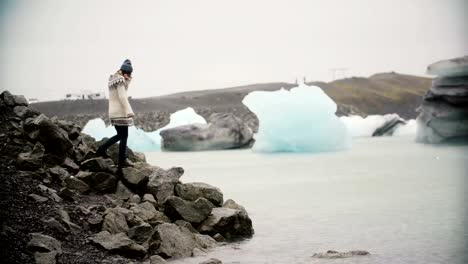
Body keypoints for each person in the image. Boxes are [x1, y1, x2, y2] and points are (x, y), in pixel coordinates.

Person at [96, 59, 135, 167]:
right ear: (125, 72)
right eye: (128, 73)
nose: (128, 75)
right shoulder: (120, 80)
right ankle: (122, 160)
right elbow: (122, 96)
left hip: (113, 112)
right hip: (120, 112)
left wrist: (127, 80)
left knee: (120, 135)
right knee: (124, 136)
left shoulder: (114, 78)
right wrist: (129, 111)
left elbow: (122, 90)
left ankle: (101, 149)